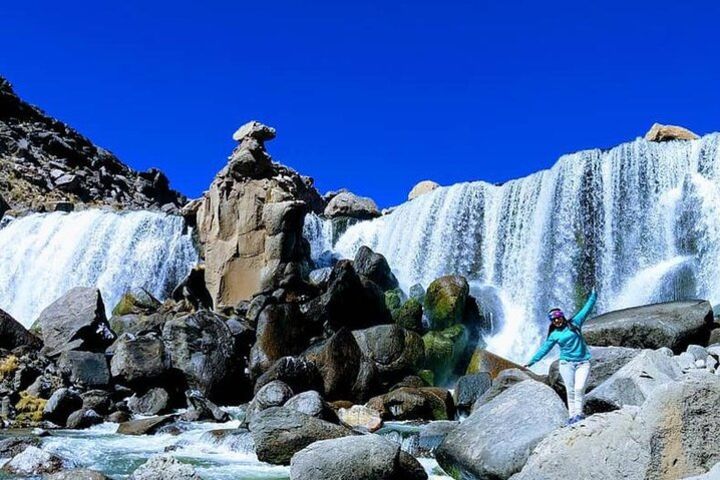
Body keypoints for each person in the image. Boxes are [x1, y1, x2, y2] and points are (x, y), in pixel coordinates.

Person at [524, 289, 597, 425]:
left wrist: (593, 294)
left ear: (562, 316)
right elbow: (544, 349)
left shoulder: (575, 323)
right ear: (552, 321)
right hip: (566, 364)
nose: (557, 320)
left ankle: (579, 413)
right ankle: (573, 417)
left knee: (579, 388)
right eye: (554, 319)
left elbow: (587, 309)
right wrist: (531, 362)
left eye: (558, 317)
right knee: (570, 390)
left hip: (583, 362)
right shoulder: (553, 335)